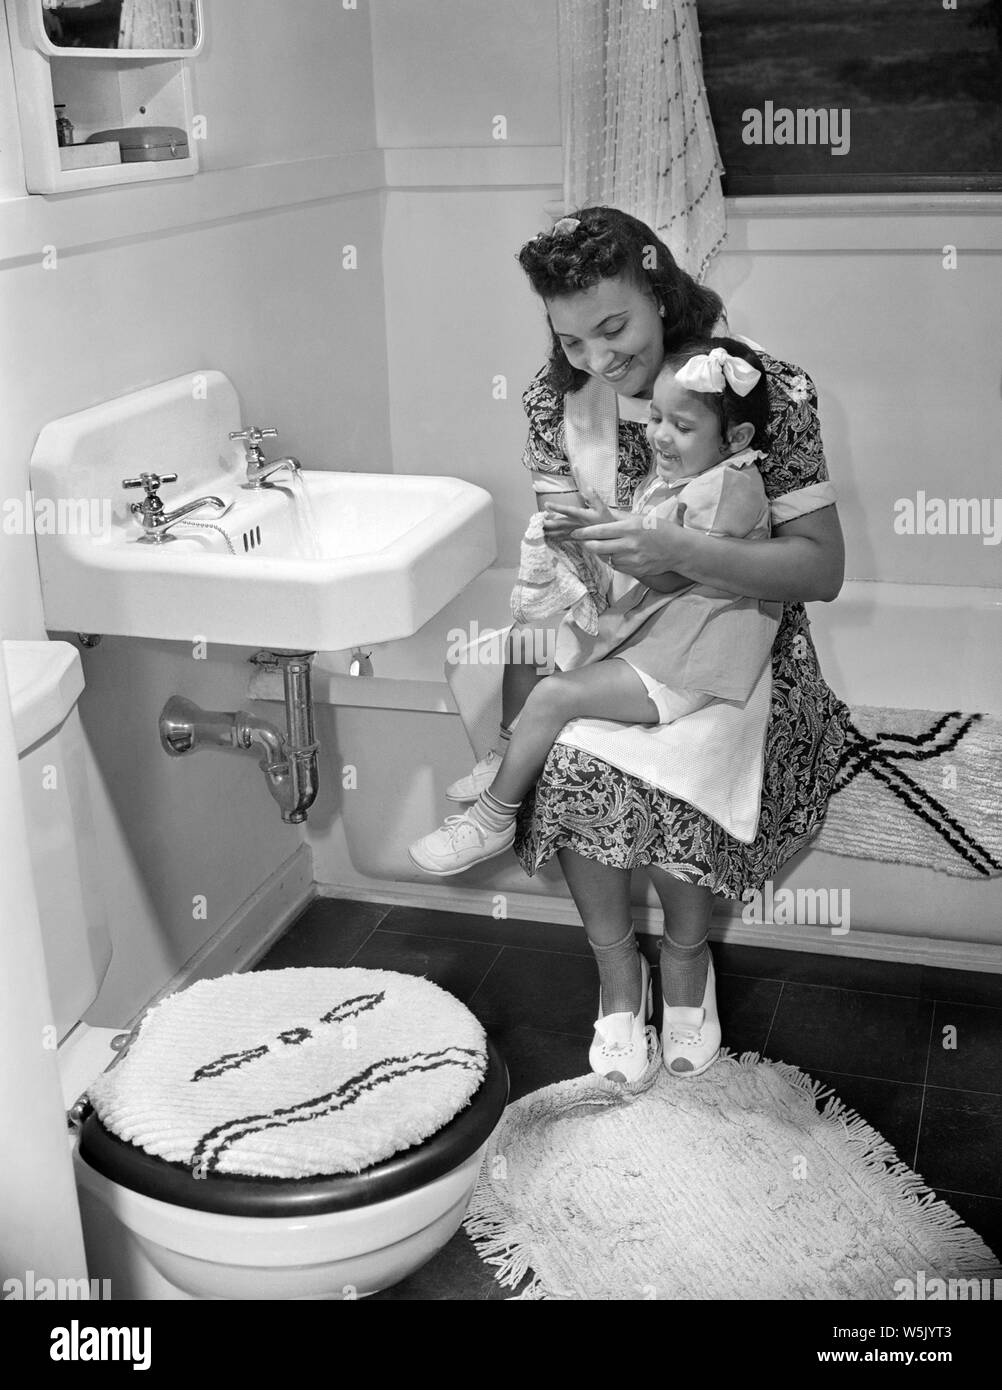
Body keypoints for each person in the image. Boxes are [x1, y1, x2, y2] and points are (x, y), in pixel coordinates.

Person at [439, 208, 849, 1083]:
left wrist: (677, 552)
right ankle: (618, 977)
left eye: (614, 326)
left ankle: (688, 965)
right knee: (578, 757)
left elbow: (819, 571)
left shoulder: (756, 389)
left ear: (659, 284)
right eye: (572, 338)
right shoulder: (558, 402)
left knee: (674, 768)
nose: (597, 359)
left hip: (737, 656)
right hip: (604, 651)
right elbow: (547, 577)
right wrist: (518, 717)